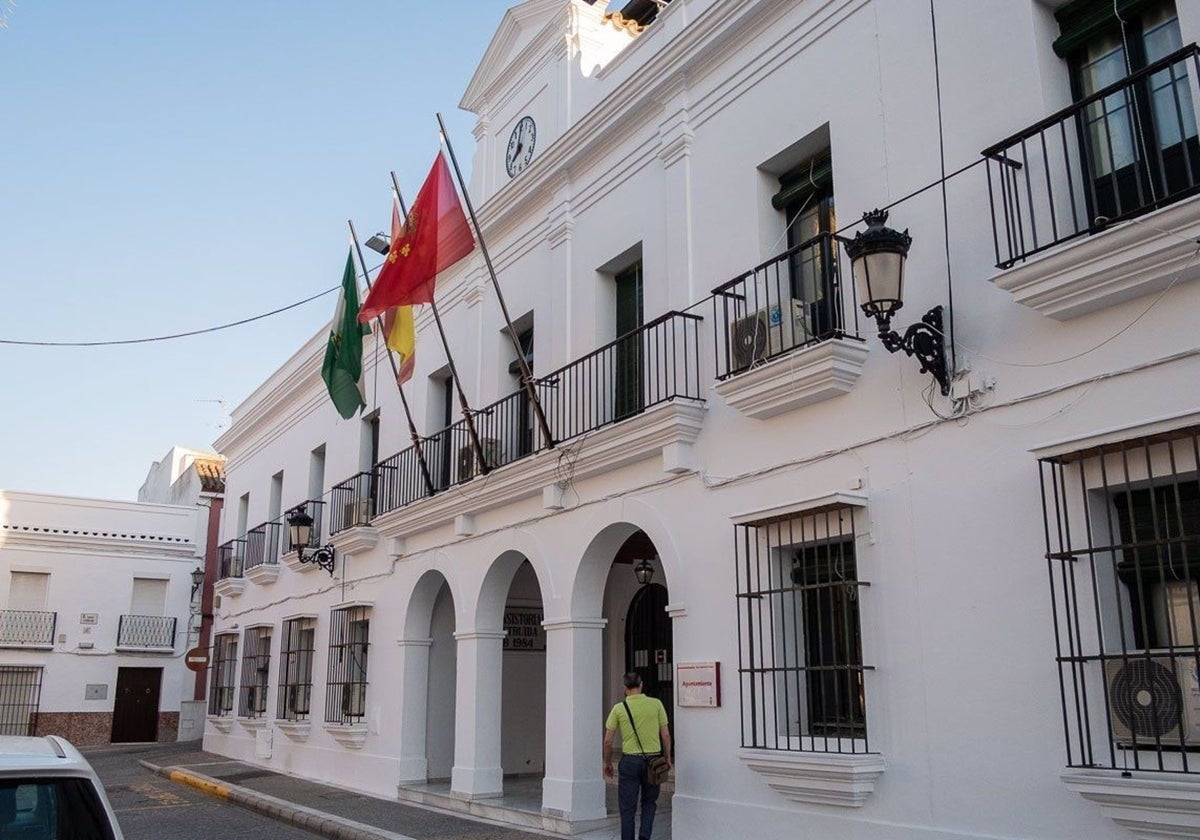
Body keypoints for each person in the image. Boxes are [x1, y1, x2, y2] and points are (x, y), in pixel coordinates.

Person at [603, 672, 672, 840]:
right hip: (653, 760)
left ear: (625, 688)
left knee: (627, 807)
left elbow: (608, 741)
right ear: (641, 685)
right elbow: (666, 735)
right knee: (649, 802)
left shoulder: (619, 709)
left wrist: (607, 762)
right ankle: (644, 836)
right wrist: (668, 758)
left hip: (630, 761)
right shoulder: (656, 704)